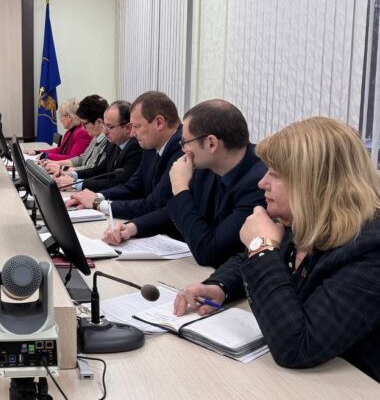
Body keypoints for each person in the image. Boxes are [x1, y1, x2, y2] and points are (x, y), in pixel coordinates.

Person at [173, 117, 380, 381]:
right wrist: (219, 287)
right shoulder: (309, 220)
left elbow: (296, 346)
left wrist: (261, 247)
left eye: (276, 174)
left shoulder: (370, 249)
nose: (262, 183)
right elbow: (247, 259)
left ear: (315, 184)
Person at [112, 99, 265, 267]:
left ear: (211, 143)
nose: (183, 150)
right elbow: (172, 212)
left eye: (185, 143)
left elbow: (209, 252)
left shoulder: (259, 184)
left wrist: (180, 190)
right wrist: (133, 227)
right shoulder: (207, 164)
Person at [69, 91, 183, 239]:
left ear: (159, 123)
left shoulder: (181, 150)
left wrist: (98, 203)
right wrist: (95, 197)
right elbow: (132, 187)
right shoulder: (150, 147)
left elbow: (154, 204)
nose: (132, 133)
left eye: (136, 126)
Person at [55, 100, 142, 192]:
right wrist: (73, 174)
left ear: (127, 128)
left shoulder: (135, 147)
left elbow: (118, 183)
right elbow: (100, 170)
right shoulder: (115, 142)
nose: (105, 131)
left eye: (110, 127)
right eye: (105, 125)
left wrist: (76, 184)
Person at [42, 95, 109, 174]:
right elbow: (81, 159)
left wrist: (61, 168)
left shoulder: (108, 141)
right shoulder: (95, 137)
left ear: (99, 122)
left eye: (85, 124)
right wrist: (56, 163)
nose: (83, 128)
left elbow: (91, 169)